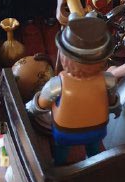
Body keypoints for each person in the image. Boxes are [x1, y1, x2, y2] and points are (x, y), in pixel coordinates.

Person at [26, 16, 118, 164]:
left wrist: (29, 109)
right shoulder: (108, 80)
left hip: (65, 131)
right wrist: (116, 109)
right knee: (94, 149)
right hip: (97, 129)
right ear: (103, 60)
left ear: (65, 57)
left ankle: (60, 165)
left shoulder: (57, 84)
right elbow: (112, 101)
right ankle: (94, 163)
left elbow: (41, 104)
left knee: (61, 150)